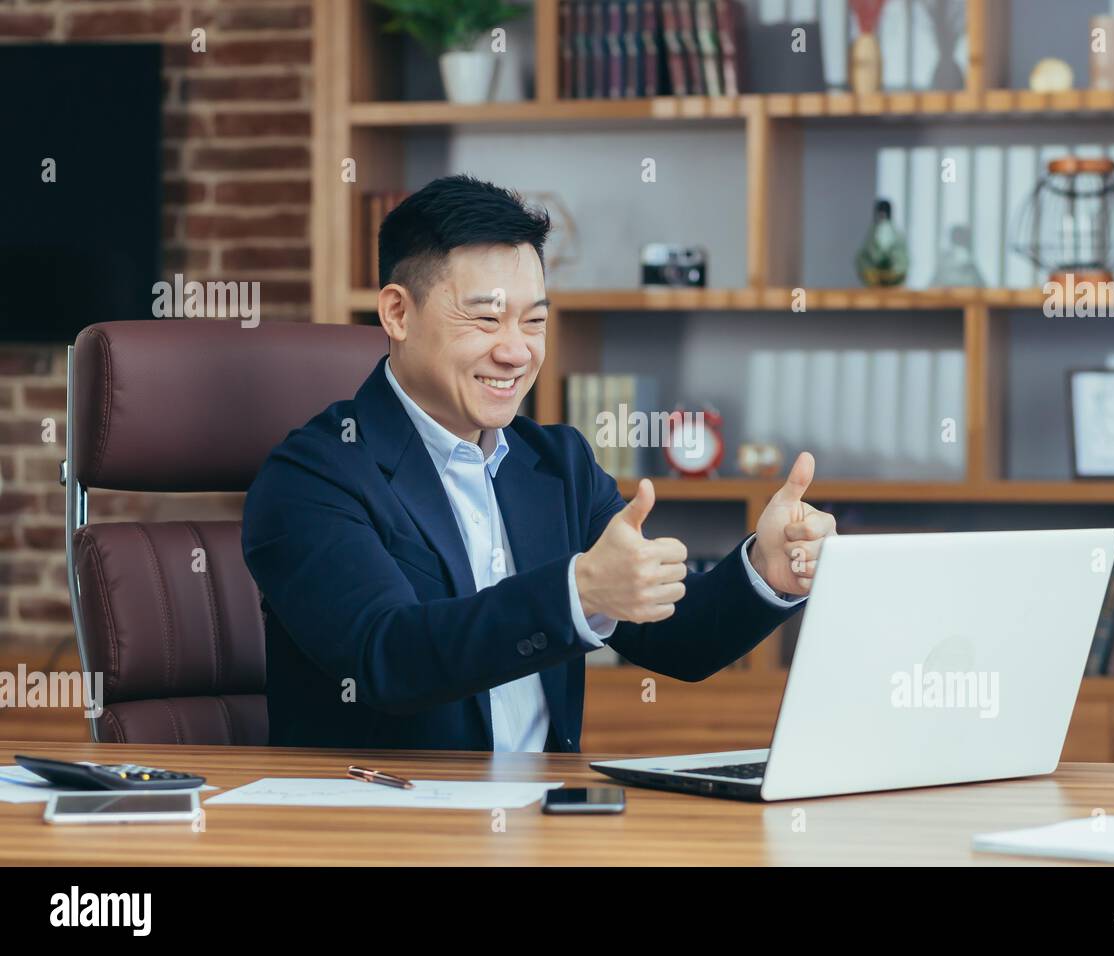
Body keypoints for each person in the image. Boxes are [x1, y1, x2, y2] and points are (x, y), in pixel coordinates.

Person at [242, 174, 837, 751]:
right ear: (398, 313)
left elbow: (679, 640)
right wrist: (577, 592)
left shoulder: (559, 465)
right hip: (384, 828)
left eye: (534, 322)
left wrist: (766, 571)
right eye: (485, 318)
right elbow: (388, 657)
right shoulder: (313, 476)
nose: (515, 351)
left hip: (545, 823)